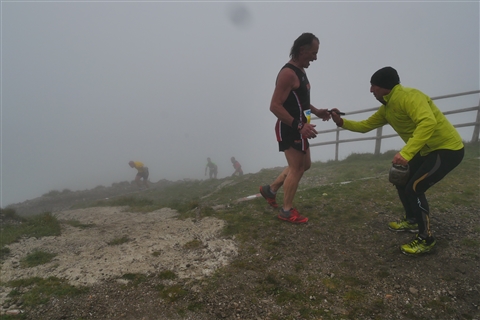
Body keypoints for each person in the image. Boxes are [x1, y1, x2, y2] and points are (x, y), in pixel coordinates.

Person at [330, 66, 464, 255]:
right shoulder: (387, 107)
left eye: (373, 86)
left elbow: (428, 122)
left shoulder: (410, 96)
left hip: (447, 149)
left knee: (415, 188)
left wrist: (406, 153)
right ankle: (411, 220)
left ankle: (426, 239)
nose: (370, 90)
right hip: (426, 150)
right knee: (401, 180)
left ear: (385, 87)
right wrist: (341, 122)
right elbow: (365, 126)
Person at [259, 32, 331, 224]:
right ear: (302, 50)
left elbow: (300, 100)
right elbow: (274, 106)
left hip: (300, 126)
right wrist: (299, 126)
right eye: (313, 53)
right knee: (297, 168)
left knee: (303, 165)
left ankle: (270, 190)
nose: (315, 58)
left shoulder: (301, 71)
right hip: (290, 127)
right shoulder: (288, 73)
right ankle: (286, 211)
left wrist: (317, 111)